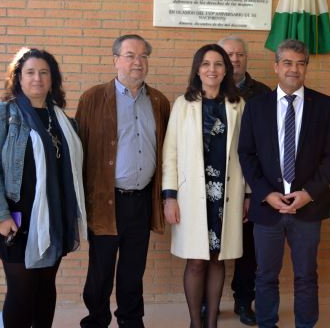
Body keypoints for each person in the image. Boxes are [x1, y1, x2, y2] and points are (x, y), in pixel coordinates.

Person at [0, 47, 87, 328]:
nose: (37, 78)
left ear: (52, 79)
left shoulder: (63, 121)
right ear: (18, 78)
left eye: (43, 72)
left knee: (45, 285)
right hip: (15, 218)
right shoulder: (2, 114)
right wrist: (0, 216)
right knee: (21, 290)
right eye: (29, 72)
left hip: (54, 216)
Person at [238, 39, 330, 328]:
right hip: (268, 207)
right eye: (287, 62)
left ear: (306, 67)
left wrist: (309, 193)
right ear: (276, 66)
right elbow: (246, 153)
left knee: (306, 275)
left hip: (307, 207)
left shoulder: (324, 105)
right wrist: (265, 193)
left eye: (300, 63)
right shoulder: (256, 107)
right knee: (265, 275)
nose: (293, 69)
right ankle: (267, 323)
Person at [77, 34, 170, 328]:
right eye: (130, 55)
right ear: (116, 59)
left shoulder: (158, 101)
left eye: (143, 56)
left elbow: (167, 150)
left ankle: (131, 320)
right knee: (100, 269)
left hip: (141, 200)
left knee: (133, 269)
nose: (137, 62)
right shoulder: (92, 98)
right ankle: (96, 320)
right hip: (105, 200)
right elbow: (79, 151)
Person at [162, 44, 246, 328]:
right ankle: (195, 322)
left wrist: (247, 195)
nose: (213, 69)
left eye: (219, 64)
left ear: (226, 70)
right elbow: (170, 152)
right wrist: (169, 196)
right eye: (206, 64)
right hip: (191, 196)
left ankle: (211, 322)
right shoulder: (183, 104)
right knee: (196, 260)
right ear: (197, 69)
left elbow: (247, 153)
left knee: (217, 259)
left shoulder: (238, 105)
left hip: (227, 193)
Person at [218, 35, 271, 326]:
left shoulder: (263, 93)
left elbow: (268, 145)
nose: (235, 59)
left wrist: (255, 191)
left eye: (240, 54)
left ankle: (243, 301)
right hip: (214, 182)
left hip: (251, 182)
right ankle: (207, 301)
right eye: (229, 54)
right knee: (212, 245)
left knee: (249, 248)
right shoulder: (205, 91)